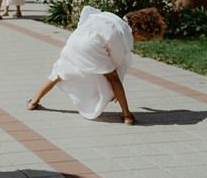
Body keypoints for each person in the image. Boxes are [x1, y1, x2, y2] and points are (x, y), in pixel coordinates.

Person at [27, 7, 166, 125]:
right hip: (92, 47)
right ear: (138, 32)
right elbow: (117, 61)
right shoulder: (123, 34)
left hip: (75, 41)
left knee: (59, 72)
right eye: (141, 39)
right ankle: (127, 115)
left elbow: (87, 15)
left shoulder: (110, 18)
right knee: (114, 78)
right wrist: (113, 87)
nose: (138, 41)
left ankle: (33, 101)